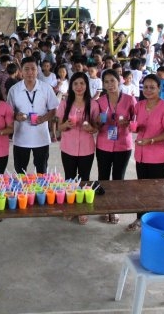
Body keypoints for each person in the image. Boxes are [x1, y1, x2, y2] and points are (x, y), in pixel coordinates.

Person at [126, 74, 164, 232]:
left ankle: (153, 224)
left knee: (154, 191)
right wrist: (131, 126)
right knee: (141, 190)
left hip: (157, 157)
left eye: (152, 87)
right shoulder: (139, 106)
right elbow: (134, 123)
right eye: (146, 87)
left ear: (159, 88)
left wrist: (152, 140)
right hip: (141, 154)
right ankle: (140, 219)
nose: (148, 90)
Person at [57, 72, 99, 225]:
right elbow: (59, 127)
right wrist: (66, 125)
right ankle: (70, 207)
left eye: (82, 83)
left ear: (86, 85)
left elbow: (96, 128)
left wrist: (90, 128)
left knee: (84, 178)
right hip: (68, 147)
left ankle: (81, 209)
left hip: (86, 148)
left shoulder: (93, 104)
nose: (79, 87)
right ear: (71, 86)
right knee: (69, 178)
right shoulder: (65, 103)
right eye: (75, 84)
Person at [95, 69, 137, 224]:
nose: (110, 84)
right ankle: (105, 209)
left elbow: (135, 122)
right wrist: (99, 121)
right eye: (106, 82)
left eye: (112, 80)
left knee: (118, 178)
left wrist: (127, 123)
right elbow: (95, 125)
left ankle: (115, 209)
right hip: (104, 144)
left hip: (123, 145)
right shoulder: (100, 101)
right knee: (103, 177)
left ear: (119, 80)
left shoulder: (129, 100)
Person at [7, 57, 59, 174]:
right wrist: (16, 116)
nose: (30, 72)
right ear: (21, 71)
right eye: (26, 69)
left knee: (41, 171)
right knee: (20, 172)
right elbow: (9, 112)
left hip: (41, 138)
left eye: (33, 69)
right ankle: (21, 192)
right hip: (21, 138)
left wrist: (44, 118)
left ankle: (39, 192)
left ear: (37, 71)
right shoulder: (14, 90)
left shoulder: (46, 88)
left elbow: (53, 109)